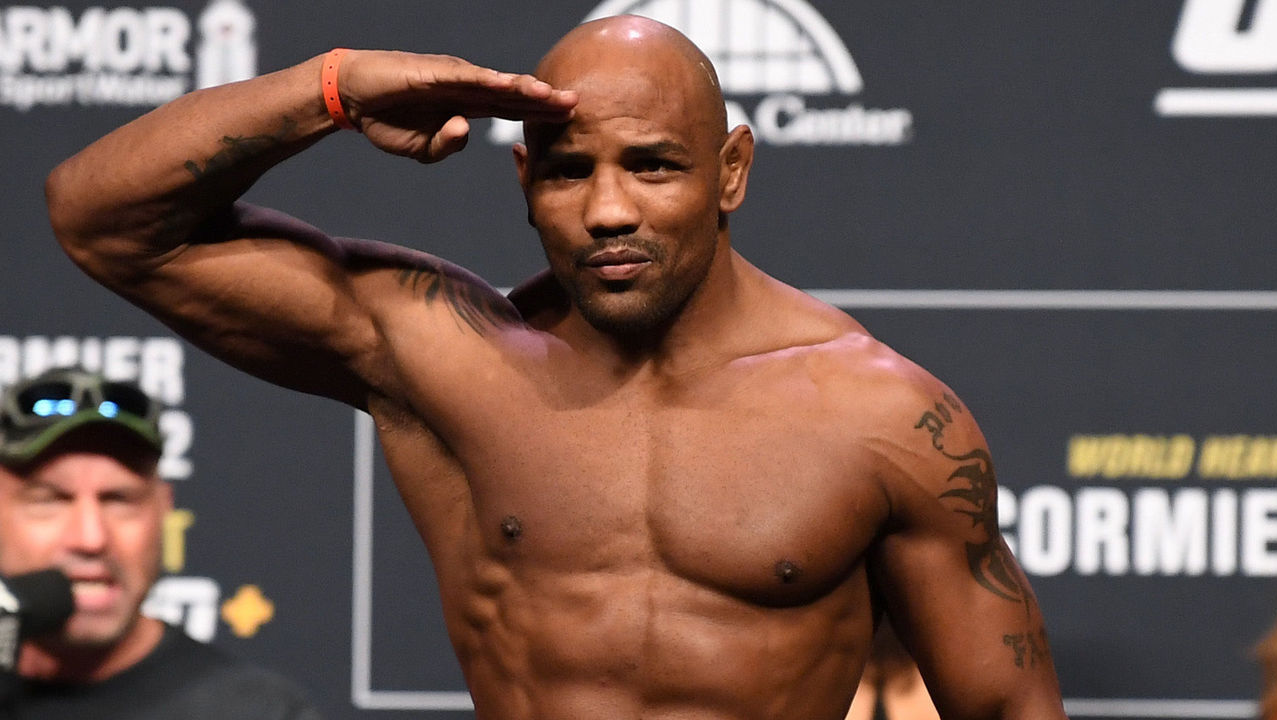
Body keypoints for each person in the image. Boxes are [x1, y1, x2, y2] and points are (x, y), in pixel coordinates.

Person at [44, 15, 1067, 719]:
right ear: (524, 176)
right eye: (569, 171)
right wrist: (334, 86)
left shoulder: (882, 417)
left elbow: (1007, 705)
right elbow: (102, 222)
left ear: (731, 172)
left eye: (652, 165)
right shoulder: (446, 357)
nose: (608, 210)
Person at [0, 368, 324, 719]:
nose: (90, 539)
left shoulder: (256, 712)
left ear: (163, 509)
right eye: (51, 500)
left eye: (118, 500)